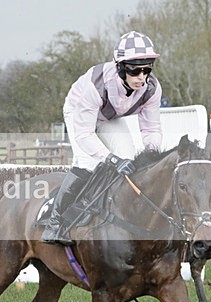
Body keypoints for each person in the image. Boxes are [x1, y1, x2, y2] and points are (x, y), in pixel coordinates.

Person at [41, 31, 163, 246]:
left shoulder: (152, 88)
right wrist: (111, 159)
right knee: (88, 162)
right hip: (79, 111)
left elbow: (151, 129)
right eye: (135, 70)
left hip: (109, 116)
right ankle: (55, 222)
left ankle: (114, 213)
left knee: (130, 159)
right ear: (121, 67)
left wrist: (152, 156)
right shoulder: (95, 86)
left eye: (146, 70)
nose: (142, 77)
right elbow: (84, 135)